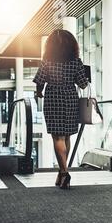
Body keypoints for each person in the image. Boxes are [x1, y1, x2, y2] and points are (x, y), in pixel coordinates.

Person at [33, 29, 89, 189]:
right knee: (67, 137)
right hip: (71, 98)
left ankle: (64, 173)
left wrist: (38, 93)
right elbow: (83, 84)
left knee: (57, 137)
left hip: (53, 97)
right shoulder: (76, 62)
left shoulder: (47, 61)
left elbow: (39, 81)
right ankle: (62, 171)